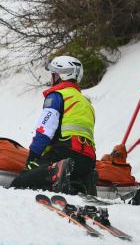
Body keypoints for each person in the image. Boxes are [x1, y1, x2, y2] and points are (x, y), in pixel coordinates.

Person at [11, 56, 96, 194]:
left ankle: (56, 172)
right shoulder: (87, 103)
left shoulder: (57, 96)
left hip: (64, 154)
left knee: (19, 183)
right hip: (88, 162)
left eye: (53, 74)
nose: (51, 79)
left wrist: (32, 156)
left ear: (60, 75)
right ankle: (82, 184)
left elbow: (44, 130)